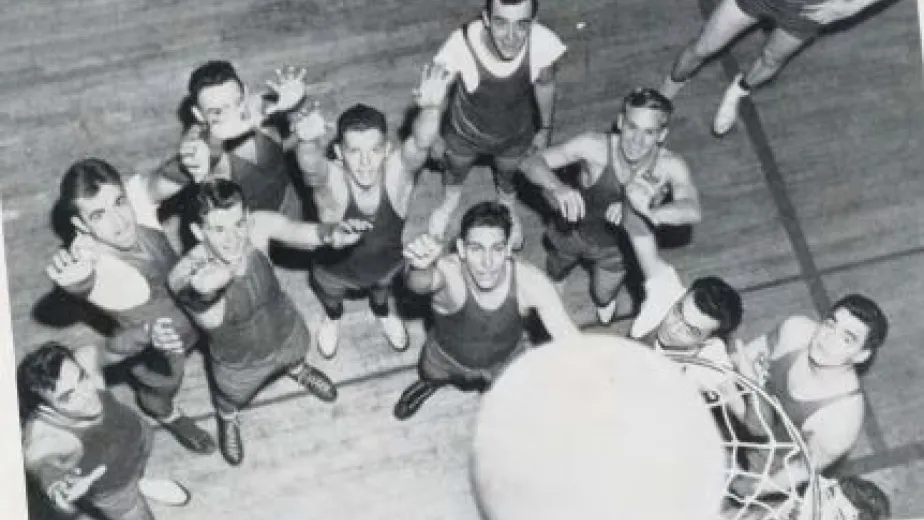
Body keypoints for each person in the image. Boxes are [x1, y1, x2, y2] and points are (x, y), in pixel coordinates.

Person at [168, 179, 368, 466]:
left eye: (238, 224)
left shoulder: (258, 227)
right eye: (218, 229)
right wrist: (210, 288)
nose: (233, 238)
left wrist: (334, 234)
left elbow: (297, 231)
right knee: (230, 398)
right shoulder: (184, 275)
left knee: (297, 354)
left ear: (247, 217)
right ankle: (227, 418)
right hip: (239, 363)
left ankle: (297, 370)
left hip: (285, 329)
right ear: (198, 232)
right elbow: (210, 320)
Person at [45, 158, 215, 454]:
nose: (120, 221)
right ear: (81, 225)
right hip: (157, 348)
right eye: (98, 214)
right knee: (160, 390)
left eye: (119, 202)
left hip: (199, 310)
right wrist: (74, 280)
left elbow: (171, 175)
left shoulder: (135, 204)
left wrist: (196, 150)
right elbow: (85, 282)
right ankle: (168, 415)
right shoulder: (90, 260)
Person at [294, 63, 453, 358]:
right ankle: (332, 318)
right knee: (332, 298)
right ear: (339, 154)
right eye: (355, 151)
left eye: (374, 150)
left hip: (386, 266)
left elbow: (421, 143)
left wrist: (432, 108)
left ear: (386, 150)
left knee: (382, 293)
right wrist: (306, 142)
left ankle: (381, 311)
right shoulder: (334, 186)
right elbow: (312, 170)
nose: (366, 163)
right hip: (334, 272)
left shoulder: (397, 177)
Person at [519, 88, 700, 335]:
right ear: (620, 122)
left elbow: (691, 209)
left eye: (648, 132)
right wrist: (558, 187)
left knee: (603, 295)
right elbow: (530, 163)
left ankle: (604, 302)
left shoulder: (670, 166)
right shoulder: (594, 147)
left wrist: (642, 212)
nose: (636, 140)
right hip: (572, 231)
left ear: (662, 135)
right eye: (632, 127)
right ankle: (557, 286)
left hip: (617, 250)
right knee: (556, 269)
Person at [394, 201, 579, 420]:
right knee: (430, 373)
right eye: (476, 249)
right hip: (445, 356)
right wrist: (419, 266)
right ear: (461, 249)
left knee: (504, 390)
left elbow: (570, 339)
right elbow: (419, 284)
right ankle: (428, 384)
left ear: (508, 249)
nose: (487, 262)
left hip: (505, 359)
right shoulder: (450, 272)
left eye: (497, 249)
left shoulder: (530, 283)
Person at [427, 0, 567, 249]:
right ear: (487, 19)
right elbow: (436, 90)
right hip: (463, 132)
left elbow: (546, 85)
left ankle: (507, 207)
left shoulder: (542, 44)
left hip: (515, 134)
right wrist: (434, 135)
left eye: (521, 25)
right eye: (501, 23)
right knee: (455, 169)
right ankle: (448, 202)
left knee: (509, 175)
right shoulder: (460, 45)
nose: (511, 37)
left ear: (533, 23)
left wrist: (545, 129)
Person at [731, 294, 888, 494]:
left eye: (847, 338)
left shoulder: (842, 420)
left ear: (861, 355)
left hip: (766, 460)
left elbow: (801, 469)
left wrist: (754, 489)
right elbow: (749, 354)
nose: (828, 339)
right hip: (738, 407)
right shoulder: (795, 331)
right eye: (831, 324)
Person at [660, 0, 887, 136]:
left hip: (808, 10)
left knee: (771, 59)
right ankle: (663, 95)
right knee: (704, 47)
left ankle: (739, 90)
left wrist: (848, 8)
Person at [19, 341, 191, 520]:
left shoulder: (83, 360)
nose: (87, 393)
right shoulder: (45, 438)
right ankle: (132, 492)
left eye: (82, 378)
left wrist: (148, 332)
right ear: (45, 409)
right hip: (113, 485)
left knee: (139, 465)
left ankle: (140, 483)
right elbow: (42, 466)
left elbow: (115, 348)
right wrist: (58, 488)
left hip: (136, 437)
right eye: (68, 396)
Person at [147, 60, 309, 218]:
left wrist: (298, 118)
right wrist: (185, 167)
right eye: (217, 112)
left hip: (290, 209)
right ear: (199, 115)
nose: (233, 116)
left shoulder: (267, 108)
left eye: (237, 102)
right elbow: (152, 190)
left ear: (245, 93)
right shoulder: (203, 149)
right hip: (246, 235)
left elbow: (276, 155)